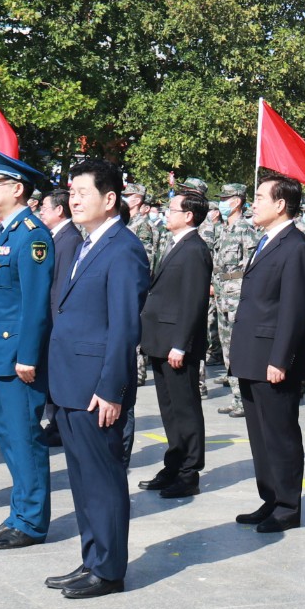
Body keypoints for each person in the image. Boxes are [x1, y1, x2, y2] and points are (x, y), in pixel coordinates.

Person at [42, 159, 150, 598]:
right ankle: (91, 558)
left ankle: (108, 570)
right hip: (69, 380)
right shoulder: (84, 244)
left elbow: (125, 327)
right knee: (82, 478)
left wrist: (112, 389)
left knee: (103, 480)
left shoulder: (123, 248)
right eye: (71, 193)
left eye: (83, 192)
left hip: (95, 387)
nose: (74, 200)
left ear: (110, 199)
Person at [0, 151, 55, 551]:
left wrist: (27, 355)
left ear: (17, 189)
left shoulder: (32, 234)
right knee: (8, 438)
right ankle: (17, 512)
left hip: (15, 358)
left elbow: (36, 303)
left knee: (24, 439)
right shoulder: (7, 232)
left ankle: (32, 521)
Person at [230, 172, 305, 533]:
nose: (255, 204)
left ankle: (287, 506)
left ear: (281, 205)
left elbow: (294, 310)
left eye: (262, 197)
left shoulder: (296, 246)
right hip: (252, 353)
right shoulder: (267, 241)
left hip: (272, 359)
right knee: (260, 434)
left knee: (280, 434)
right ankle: (270, 498)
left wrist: (280, 359)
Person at [139, 186, 213, 499]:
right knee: (168, 410)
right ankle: (174, 463)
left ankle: (189, 472)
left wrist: (180, 344)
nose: (167, 214)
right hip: (160, 339)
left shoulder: (195, 248)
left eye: (172, 210)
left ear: (188, 215)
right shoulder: (176, 243)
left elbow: (194, 301)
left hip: (175, 343)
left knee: (185, 409)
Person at [38, 188, 81, 448]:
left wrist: (53, 326)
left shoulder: (70, 239)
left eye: (45, 207)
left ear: (59, 210)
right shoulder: (57, 236)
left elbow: (61, 288)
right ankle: (55, 425)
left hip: (56, 323)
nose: (41, 211)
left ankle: (58, 427)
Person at [211, 183, 258, 418]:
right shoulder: (224, 230)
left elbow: (252, 266)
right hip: (222, 296)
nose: (222, 202)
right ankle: (236, 397)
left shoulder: (245, 230)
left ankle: (244, 400)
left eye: (226, 198)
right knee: (227, 349)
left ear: (237, 201)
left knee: (238, 349)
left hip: (236, 296)